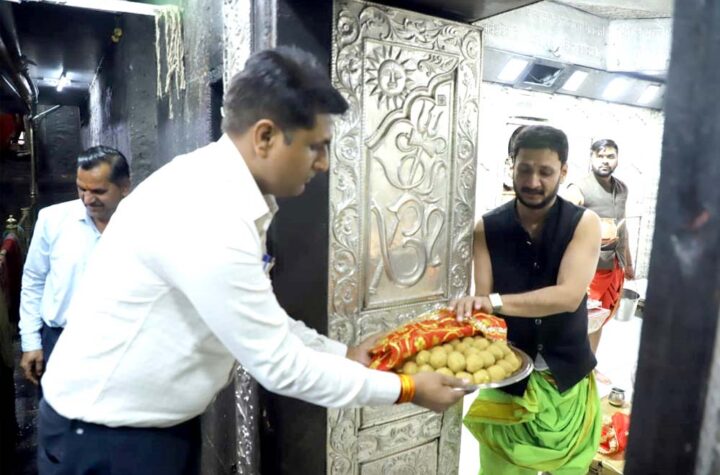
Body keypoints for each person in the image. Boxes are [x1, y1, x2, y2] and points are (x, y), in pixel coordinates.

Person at [38, 47, 469, 475]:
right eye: (316, 147)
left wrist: (345, 354)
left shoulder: (227, 193)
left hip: (148, 428)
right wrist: (406, 388)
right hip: (106, 439)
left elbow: (264, 321)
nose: (324, 164)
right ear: (265, 137)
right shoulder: (206, 210)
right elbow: (279, 365)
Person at [452, 125, 602, 474]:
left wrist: (493, 302)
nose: (533, 181)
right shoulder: (487, 228)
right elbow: (484, 304)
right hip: (507, 380)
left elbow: (568, 297)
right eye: (524, 169)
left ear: (563, 171)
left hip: (566, 381)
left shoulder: (583, 223)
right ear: (512, 166)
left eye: (546, 172)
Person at [18, 146, 130, 386]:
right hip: (59, 341)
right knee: (57, 409)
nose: (88, 199)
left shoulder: (142, 227)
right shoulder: (52, 220)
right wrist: (31, 342)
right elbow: (34, 281)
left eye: (98, 191)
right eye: (82, 189)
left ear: (124, 187)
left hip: (121, 345)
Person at [564, 139, 634, 355]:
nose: (605, 161)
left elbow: (623, 227)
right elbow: (562, 230)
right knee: (581, 320)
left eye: (610, 156)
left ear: (617, 159)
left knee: (600, 318)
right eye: (600, 156)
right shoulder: (578, 189)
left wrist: (628, 263)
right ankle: (574, 363)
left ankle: (590, 363)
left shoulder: (622, 189)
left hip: (615, 265)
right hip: (589, 269)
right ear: (591, 158)